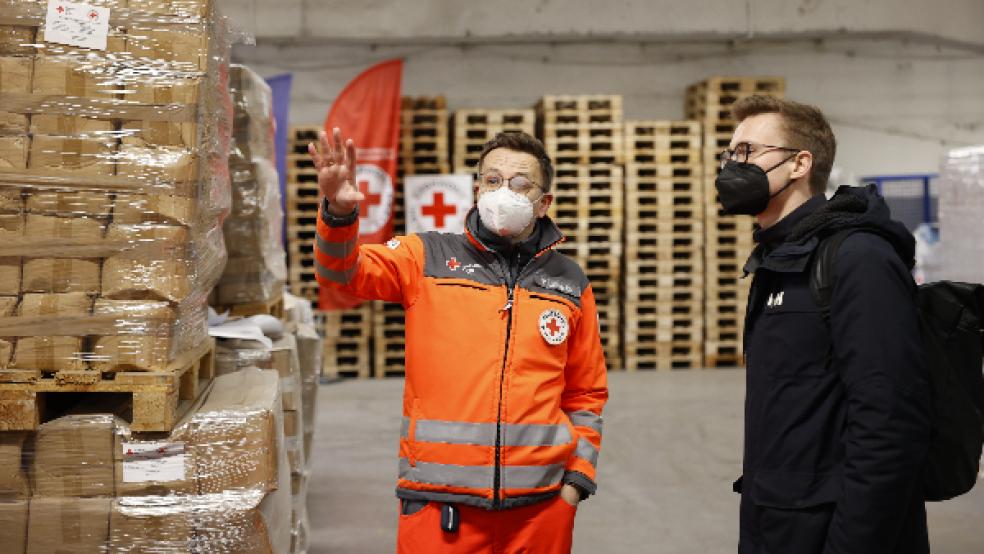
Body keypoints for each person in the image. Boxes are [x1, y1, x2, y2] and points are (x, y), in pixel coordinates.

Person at [310, 129, 608, 553]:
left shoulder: (569, 282)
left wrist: (574, 484)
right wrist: (339, 214)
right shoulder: (424, 258)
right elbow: (340, 273)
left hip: (541, 511)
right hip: (439, 506)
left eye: (520, 183)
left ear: (544, 204)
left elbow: (586, 393)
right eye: (492, 179)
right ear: (476, 189)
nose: (503, 191)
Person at [717, 95, 933, 554]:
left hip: (832, 531)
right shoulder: (781, 259)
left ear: (800, 164)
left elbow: (890, 424)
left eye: (748, 152)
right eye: (730, 154)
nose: (732, 166)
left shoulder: (858, 259)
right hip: (779, 521)